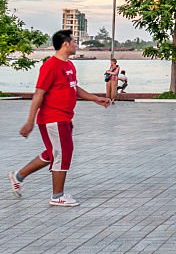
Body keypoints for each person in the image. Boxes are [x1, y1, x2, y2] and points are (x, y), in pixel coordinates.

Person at [7, 30, 111, 206]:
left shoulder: (69, 65)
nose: (76, 45)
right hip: (53, 118)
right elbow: (39, 94)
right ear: (65, 44)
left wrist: (95, 99)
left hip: (64, 118)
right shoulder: (50, 66)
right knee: (62, 154)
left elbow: (74, 88)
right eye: (74, 42)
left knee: (52, 153)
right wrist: (30, 121)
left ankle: (18, 176)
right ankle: (57, 197)